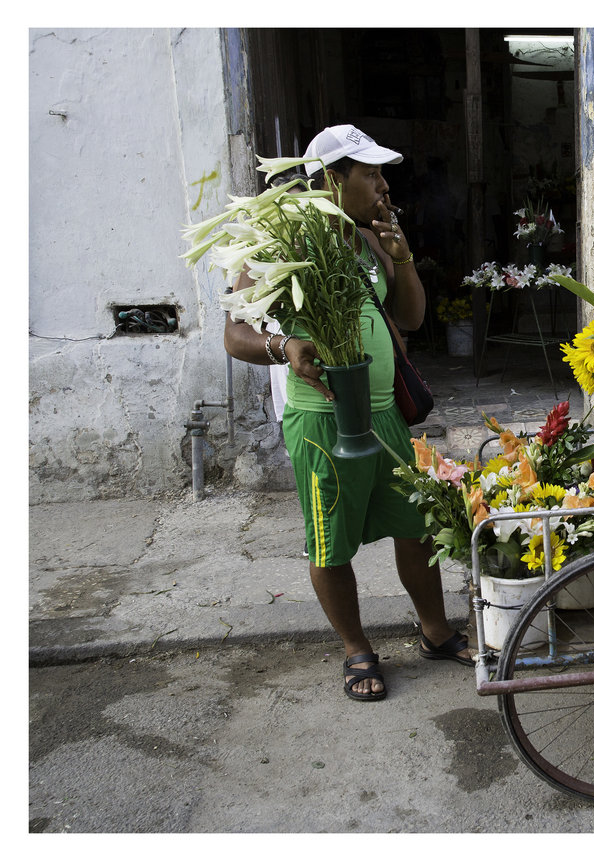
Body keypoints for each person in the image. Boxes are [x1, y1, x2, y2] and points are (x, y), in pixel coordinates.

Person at [220, 124, 473, 701]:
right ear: (332, 180)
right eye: (371, 174)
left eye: (382, 173)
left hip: (385, 417)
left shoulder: (369, 241)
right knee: (329, 540)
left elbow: (409, 319)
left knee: (416, 529)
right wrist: (284, 348)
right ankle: (356, 648)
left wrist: (402, 258)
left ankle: (434, 632)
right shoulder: (279, 241)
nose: (383, 185)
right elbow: (235, 336)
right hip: (321, 424)